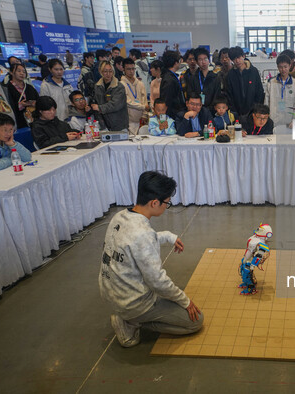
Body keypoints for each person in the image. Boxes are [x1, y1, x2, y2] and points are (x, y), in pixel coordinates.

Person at [99, 171, 203, 348]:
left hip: (111, 292)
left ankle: (128, 316)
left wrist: (169, 236)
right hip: (133, 303)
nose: (166, 206)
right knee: (195, 321)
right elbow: (158, 282)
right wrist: (185, 301)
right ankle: (132, 322)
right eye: (167, 203)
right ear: (155, 203)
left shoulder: (121, 216)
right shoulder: (143, 234)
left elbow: (137, 241)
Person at [265, 54, 295, 128]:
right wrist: (267, 119)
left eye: (285, 67)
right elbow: (266, 103)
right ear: (277, 67)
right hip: (273, 121)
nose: (283, 70)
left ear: (290, 66)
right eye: (280, 67)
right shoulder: (271, 83)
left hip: (289, 122)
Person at [226, 46, 264, 117]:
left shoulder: (253, 71)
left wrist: (256, 108)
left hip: (253, 111)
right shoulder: (231, 74)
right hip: (236, 112)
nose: (237, 61)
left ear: (243, 56)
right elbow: (229, 94)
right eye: (234, 59)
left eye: (239, 57)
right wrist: (233, 110)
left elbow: (259, 91)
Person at [91, 61, 129, 131]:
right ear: (100, 71)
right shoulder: (97, 86)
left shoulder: (119, 86)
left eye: (110, 71)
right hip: (104, 125)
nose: (108, 74)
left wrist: (99, 108)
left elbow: (115, 105)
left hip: (119, 125)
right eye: (105, 71)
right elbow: (95, 105)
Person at [5, 63, 39, 129]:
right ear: (11, 72)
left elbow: (38, 100)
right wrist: (21, 105)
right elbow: (6, 107)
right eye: (19, 71)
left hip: (33, 121)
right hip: (17, 122)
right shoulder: (7, 88)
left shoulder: (29, 87)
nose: (22, 73)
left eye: (24, 71)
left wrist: (35, 103)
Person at [121, 58, 149, 134]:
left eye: (133, 69)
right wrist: (143, 107)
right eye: (128, 69)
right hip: (129, 121)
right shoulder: (121, 84)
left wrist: (145, 115)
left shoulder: (140, 83)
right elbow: (127, 102)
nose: (131, 71)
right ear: (123, 69)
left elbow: (144, 100)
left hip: (141, 119)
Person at [160, 50, 186, 119]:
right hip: (173, 116)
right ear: (175, 63)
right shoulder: (169, 80)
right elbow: (166, 101)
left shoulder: (170, 76)